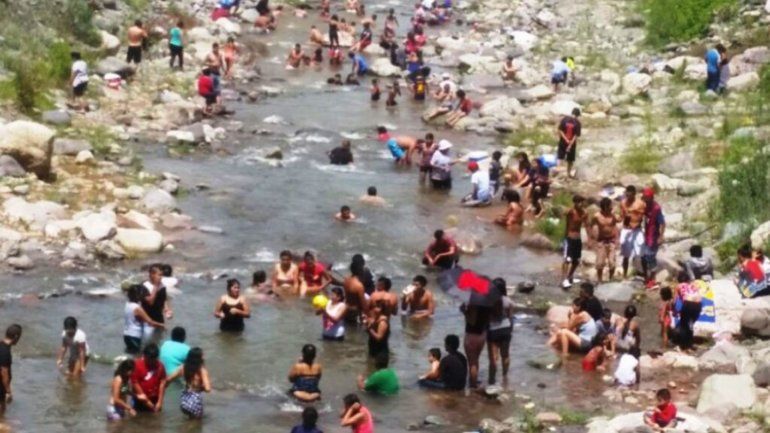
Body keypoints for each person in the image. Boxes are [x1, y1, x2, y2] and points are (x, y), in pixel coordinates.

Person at [167, 347, 211, 419]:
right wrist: (201, 388)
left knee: (190, 420)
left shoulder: (183, 367)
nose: (204, 357)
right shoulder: (202, 370)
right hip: (195, 401)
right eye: (202, 355)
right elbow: (208, 389)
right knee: (197, 425)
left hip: (185, 400)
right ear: (198, 358)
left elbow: (169, 379)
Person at [124, 284, 164, 354]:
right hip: (134, 335)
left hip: (126, 335)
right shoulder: (137, 308)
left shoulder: (127, 304)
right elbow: (150, 322)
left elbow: (136, 318)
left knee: (131, 354)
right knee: (137, 355)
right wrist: (162, 325)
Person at [487, 278, 513, 385]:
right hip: (506, 329)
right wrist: (510, 330)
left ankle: (492, 380)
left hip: (493, 330)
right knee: (505, 355)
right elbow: (510, 317)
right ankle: (504, 377)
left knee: (493, 358)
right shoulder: (508, 301)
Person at [561, 195, 588, 289]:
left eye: (582, 202)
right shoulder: (571, 211)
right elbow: (563, 215)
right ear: (575, 203)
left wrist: (590, 238)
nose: (581, 204)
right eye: (579, 202)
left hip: (578, 238)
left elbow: (587, 225)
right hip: (569, 238)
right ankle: (564, 279)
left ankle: (570, 276)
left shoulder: (584, 213)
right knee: (567, 259)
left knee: (576, 261)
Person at [641, 187, 665, 289]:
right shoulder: (645, 206)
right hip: (646, 235)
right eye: (644, 198)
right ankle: (646, 275)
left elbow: (662, 223)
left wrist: (661, 236)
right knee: (643, 257)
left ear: (651, 197)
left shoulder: (656, 208)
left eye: (647, 198)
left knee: (650, 256)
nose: (645, 199)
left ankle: (653, 278)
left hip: (653, 236)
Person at [131, 343, 167, 412]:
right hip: (140, 399)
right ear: (144, 356)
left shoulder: (160, 366)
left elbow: (162, 382)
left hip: (155, 399)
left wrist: (160, 401)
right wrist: (147, 401)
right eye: (149, 359)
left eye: (154, 359)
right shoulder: (137, 365)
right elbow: (135, 383)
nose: (151, 362)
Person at [619, 185, 646, 279]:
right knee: (625, 254)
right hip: (627, 229)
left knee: (641, 253)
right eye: (627, 194)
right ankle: (624, 275)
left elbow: (641, 216)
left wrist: (632, 212)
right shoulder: (623, 203)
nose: (628, 196)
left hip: (637, 230)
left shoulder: (640, 203)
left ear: (634, 194)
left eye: (630, 195)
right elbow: (622, 216)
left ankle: (646, 275)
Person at [591, 197, 620, 282]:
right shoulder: (597, 216)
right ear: (605, 207)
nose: (611, 207)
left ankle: (610, 278)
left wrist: (618, 214)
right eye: (610, 206)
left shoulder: (613, 215)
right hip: (601, 241)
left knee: (612, 262)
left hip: (612, 241)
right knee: (600, 263)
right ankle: (600, 280)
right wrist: (593, 237)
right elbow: (591, 224)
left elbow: (620, 219)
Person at [461, 302, 489, 388]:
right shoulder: (486, 303)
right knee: (475, 360)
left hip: (472, 335)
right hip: (482, 334)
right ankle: (474, 380)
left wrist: (464, 312)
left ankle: (473, 385)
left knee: (472, 362)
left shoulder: (473, 304)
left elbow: (472, 321)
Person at [143, 264, 172, 338]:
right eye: (159, 275)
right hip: (148, 321)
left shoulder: (162, 286)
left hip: (159, 318)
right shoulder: (144, 286)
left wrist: (167, 309)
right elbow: (150, 302)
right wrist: (155, 286)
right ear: (152, 274)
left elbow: (164, 299)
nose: (161, 277)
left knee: (159, 340)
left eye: (162, 275)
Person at [675, 273, 701, 351]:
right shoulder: (692, 285)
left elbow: (675, 300)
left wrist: (674, 310)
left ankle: (683, 345)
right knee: (690, 324)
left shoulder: (678, 286)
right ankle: (690, 344)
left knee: (683, 325)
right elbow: (699, 292)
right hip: (698, 304)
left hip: (688, 303)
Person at [0, 324, 21, 415]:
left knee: (3, 405)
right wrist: (8, 391)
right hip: (1, 383)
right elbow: (4, 372)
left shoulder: (1, 344)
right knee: (2, 406)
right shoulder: (5, 351)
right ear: (16, 337)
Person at [556, 108, 581, 178]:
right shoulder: (578, 123)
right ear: (577, 115)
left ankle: (558, 173)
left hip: (563, 141)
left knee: (560, 157)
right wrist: (570, 143)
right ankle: (568, 173)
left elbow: (560, 130)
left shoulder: (564, 119)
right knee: (570, 159)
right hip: (572, 143)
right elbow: (576, 135)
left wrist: (565, 139)